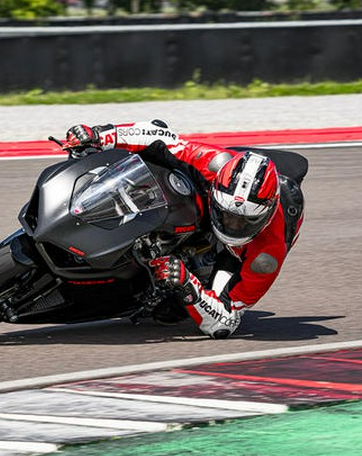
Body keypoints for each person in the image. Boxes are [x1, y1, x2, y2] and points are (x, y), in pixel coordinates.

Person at [63, 120, 305, 339]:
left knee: (168, 313)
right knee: (156, 148)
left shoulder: (266, 255)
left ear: (266, 215)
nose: (233, 225)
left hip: (236, 254)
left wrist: (188, 284)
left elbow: (226, 322)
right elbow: (161, 137)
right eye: (228, 216)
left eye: (244, 222)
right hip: (210, 200)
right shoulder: (215, 163)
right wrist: (99, 135)